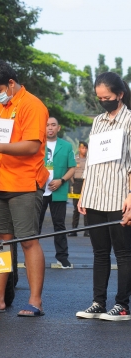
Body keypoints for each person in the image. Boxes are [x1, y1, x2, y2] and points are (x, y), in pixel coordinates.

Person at [0, 60, 49, 317]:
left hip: (25, 184)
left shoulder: (32, 106)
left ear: (11, 83)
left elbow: (32, 146)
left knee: (28, 241)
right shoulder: (2, 110)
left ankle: (35, 301)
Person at [76, 71, 131, 321]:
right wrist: (83, 194)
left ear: (120, 95)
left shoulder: (129, 121)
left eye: (107, 97)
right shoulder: (98, 121)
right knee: (99, 252)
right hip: (95, 196)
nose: (103, 101)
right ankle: (98, 302)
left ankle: (122, 305)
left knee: (123, 253)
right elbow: (92, 162)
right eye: (99, 98)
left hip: (119, 195)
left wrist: (130, 195)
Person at [38, 117, 76, 269]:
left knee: (59, 224)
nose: (50, 128)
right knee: (35, 225)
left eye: (53, 125)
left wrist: (61, 180)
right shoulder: (37, 145)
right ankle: (32, 257)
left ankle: (62, 257)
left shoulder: (66, 146)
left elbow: (72, 167)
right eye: (47, 125)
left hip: (58, 191)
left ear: (58, 128)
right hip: (39, 190)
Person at [69, 141, 89, 237]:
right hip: (76, 183)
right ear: (79, 149)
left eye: (85, 148)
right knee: (76, 208)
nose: (83, 150)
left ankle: (87, 230)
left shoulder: (89, 160)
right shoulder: (75, 159)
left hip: (86, 184)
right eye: (82, 148)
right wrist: (73, 184)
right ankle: (74, 229)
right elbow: (71, 172)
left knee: (86, 207)